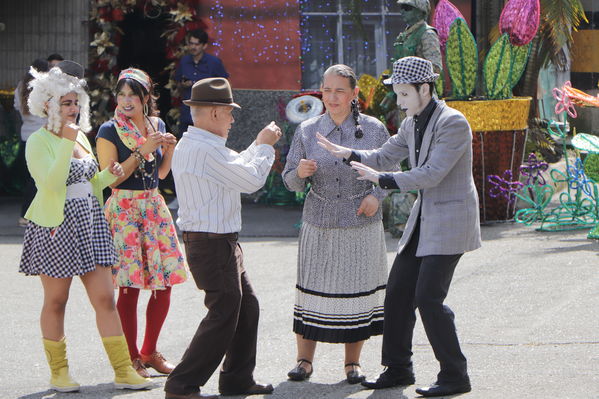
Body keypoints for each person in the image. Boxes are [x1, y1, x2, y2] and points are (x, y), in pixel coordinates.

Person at [317, 56, 481, 397]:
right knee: (398, 293)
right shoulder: (411, 123)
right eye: (398, 94)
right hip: (425, 217)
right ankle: (398, 368)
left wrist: (383, 180)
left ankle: (455, 375)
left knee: (428, 298)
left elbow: (432, 174)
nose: (399, 101)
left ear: (425, 89)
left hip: (450, 219)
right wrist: (347, 153)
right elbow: (382, 156)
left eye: (405, 94)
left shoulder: (453, 123)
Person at [18, 60, 151, 392]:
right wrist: (65, 141)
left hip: (89, 222)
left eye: (76, 102)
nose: (74, 108)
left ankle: (123, 370)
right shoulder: (39, 141)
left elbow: (91, 184)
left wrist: (111, 176)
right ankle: (59, 372)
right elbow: (52, 183)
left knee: (106, 298)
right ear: (48, 105)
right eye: (66, 102)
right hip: (55, 226)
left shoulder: (80, 139)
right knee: (57, 300)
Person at [165, 77, 279, 399]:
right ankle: (182, 384)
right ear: (215, 113)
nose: (231, 120)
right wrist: (265, 145)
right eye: (229, 113)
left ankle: (236, 381)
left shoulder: (202, 145)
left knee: (246, 307)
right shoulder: (203, 149)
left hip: (219, 241)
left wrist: (258, 146)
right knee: (225, 313)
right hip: (213, 243)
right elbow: (251, 178)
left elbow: (237, 165)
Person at [282, 64, 390, 384]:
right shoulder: (307, 130)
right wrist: (299, 173)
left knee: (356, 291)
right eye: (326, 90)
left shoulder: (374, 129)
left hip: (361, 219)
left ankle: (352, 363)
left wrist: (377, 196)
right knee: (312, 291)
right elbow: (290, 181)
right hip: (320, 219)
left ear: (354, 94)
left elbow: (392, 170)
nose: (331, 97)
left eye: (339, 90)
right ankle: (304, 360)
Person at [96, 68, 187, 378]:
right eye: (121, 95)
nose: (125, 101)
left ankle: (150, 351)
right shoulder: (109, 130)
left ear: (146, 98)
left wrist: (169, 150)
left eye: (132, 95)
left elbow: (161, 174)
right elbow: (109, 178)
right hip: (124, 210)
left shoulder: (156, 124)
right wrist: (141, 150)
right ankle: (132, 357)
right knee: (129, 287)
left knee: (164, 285)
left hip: (153, 207)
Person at [14, 58, 49, 226]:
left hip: (26, 136)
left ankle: (27, 214)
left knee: (31, 178)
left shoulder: (21, 87)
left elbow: (16, 107)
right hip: (42, 138)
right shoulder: (44, 88)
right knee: (38, 179)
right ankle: (28, 215)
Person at [174, 29, 229, 136]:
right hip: (187, 113)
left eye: (197, 44)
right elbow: (177, 83)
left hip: (207, 115)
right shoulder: (184, 61)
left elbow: (225, 85)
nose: (193, 47)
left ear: (204, 46)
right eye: (191, 44)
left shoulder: (214, 63)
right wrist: (183, 84)